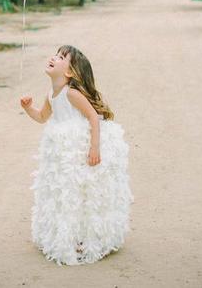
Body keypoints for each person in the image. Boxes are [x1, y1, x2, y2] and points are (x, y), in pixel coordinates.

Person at [20, 44, 134, 266]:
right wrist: (27, 108)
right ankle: (65, 234)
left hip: (79, 146)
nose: (54, 57)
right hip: (62, 150)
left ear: (70, 72)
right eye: (56, 54)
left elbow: (93, 116)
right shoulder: (51, 94)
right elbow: (43, 117)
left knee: (83, 191)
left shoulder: (71, 93)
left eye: (62, 57)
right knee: (64, 191)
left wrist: (94, 147)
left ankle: (85, 237)